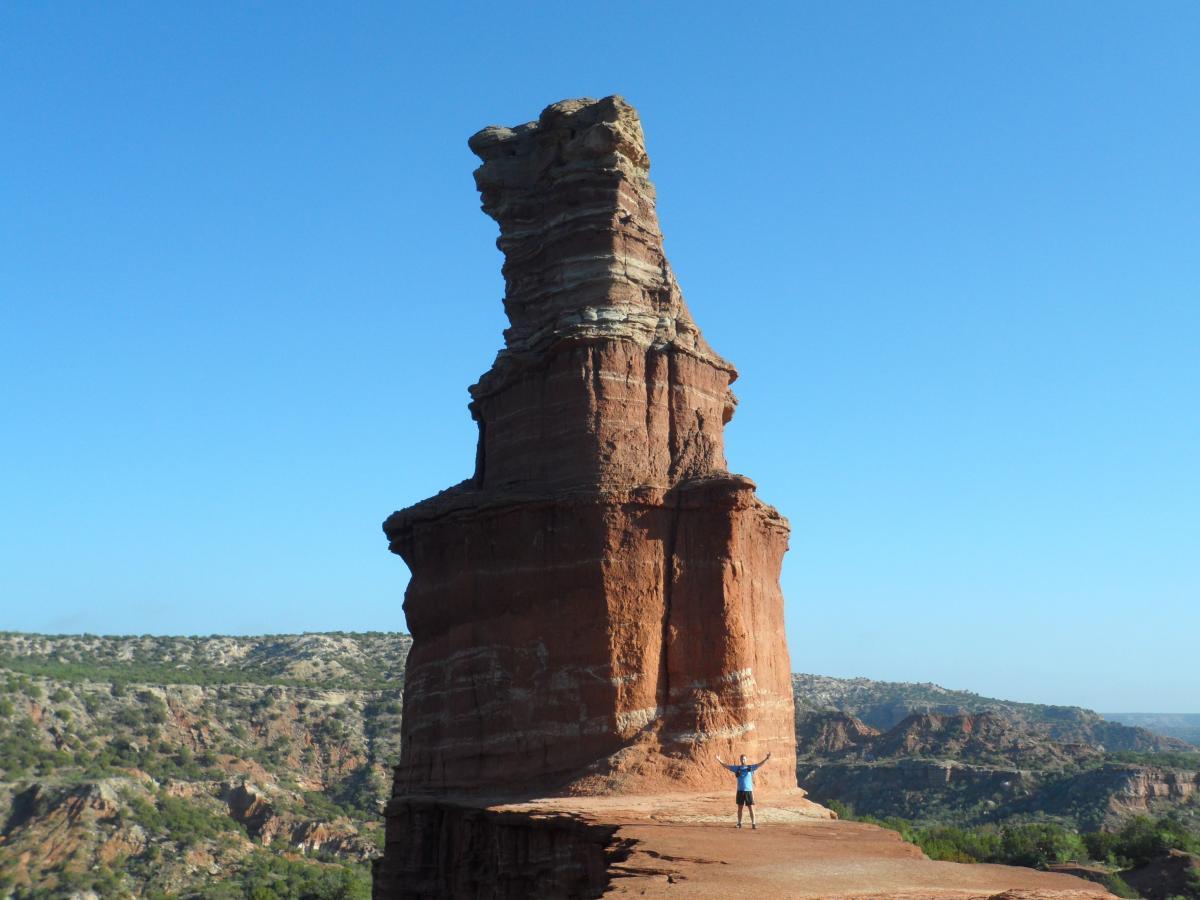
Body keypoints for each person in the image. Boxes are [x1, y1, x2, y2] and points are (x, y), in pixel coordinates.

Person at [716, 751, 772, 828]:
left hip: (748, 791)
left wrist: (767, 758)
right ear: (740, 760)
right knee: (740, 808)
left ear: (746, 759)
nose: (743, 760)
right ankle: (739, 823)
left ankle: (753, 824)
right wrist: (719, 760)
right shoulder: (737, 768)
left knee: (751, 808)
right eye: (742, 759)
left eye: (744, 759)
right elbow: (726, 766)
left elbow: (759, 764)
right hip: (740, 791)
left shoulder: (750, 768)